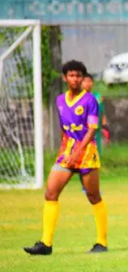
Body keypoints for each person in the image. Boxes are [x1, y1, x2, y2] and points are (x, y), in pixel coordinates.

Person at [24, 60, 109, 255]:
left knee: (93, 196)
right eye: (71, 75)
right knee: (50, 193)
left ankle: (102, 242)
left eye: (78, 75)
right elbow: (64, 128)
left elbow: (92, 129)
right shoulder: (60, 100)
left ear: (83, 78)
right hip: (67, 152)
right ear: (65, 78)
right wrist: (64, 150)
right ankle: (46, 244)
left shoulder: (90, 100)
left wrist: (78, 153)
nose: (75, 79)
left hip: (86, 152)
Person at [81, 74, 111, 156]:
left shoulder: (98, 96)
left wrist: (105, 126)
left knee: (96, 151)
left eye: (89, 81)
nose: (87, 83)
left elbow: (101, 111)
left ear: (93, 83)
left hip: (95, 128)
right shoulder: (79, 97)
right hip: (83, 128)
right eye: (85, 81)